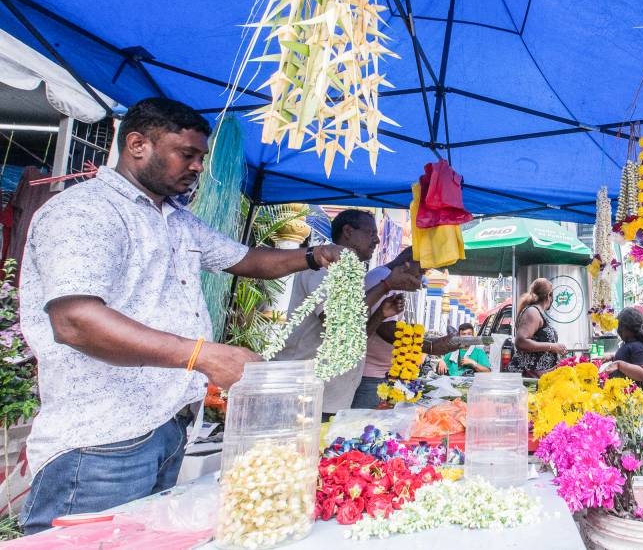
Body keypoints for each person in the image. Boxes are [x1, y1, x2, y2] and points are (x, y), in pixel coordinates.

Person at [17, 98, 348, 534]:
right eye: (186, 155)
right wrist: (201, 356)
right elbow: (75, 320)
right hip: (100, 441)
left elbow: (246, 259)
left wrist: (312, 255)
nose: (196, 168)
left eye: (201, 158)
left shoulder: (175, 219)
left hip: (166, 425)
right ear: (137, 145)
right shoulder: (86, 211)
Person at [274, 211, 419, 418]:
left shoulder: (351, 275)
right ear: (348, 232)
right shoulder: (321, 268)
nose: (377, 240)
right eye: (371, 233)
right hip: (307, 392)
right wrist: (386, 285)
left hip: (335, 395)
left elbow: (355, 338)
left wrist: (380, 314)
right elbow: (338, 322)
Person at [351, 249, 458, 408]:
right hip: (370, 376)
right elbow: (385, 329)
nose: (421, 278)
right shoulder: (382, 278)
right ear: (408, 262)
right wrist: (430, 346)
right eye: (421, 271)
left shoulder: (391, 280)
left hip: (382, 374)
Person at [507, 278, 567, 377]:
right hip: (527, 378)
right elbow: (521, 342)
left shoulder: (537, 313)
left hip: (537, 377)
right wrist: (553, 347)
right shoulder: (533, 312)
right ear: (549, 296)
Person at [603, 307, 643, 392]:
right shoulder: (632, 344)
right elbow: (630, 359)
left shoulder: (638, 346)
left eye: (620, 328)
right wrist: (612, 357)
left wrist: (619, 364)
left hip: (635, 397)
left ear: (628, 327)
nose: (619, 331)